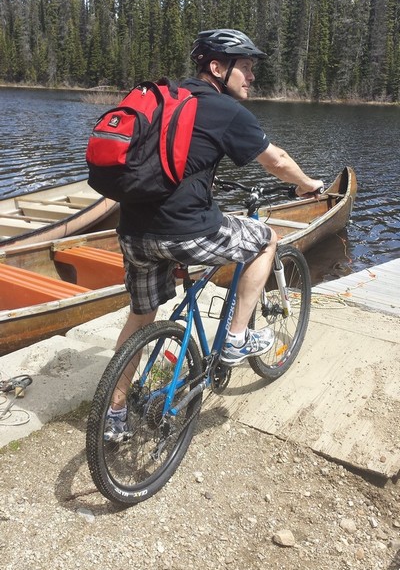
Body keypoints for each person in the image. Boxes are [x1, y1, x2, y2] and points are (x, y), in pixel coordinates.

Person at [105, 29, 323, 440]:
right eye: (245, 67)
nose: (251, 76)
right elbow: (276, 160)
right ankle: (236, 338)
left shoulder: (166, 98)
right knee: (265, 239)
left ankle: (113, 415)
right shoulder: (224, 109)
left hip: (133, 232)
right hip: (183, 230)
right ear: (217, 68)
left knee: (141, 315)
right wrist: (308, 185)